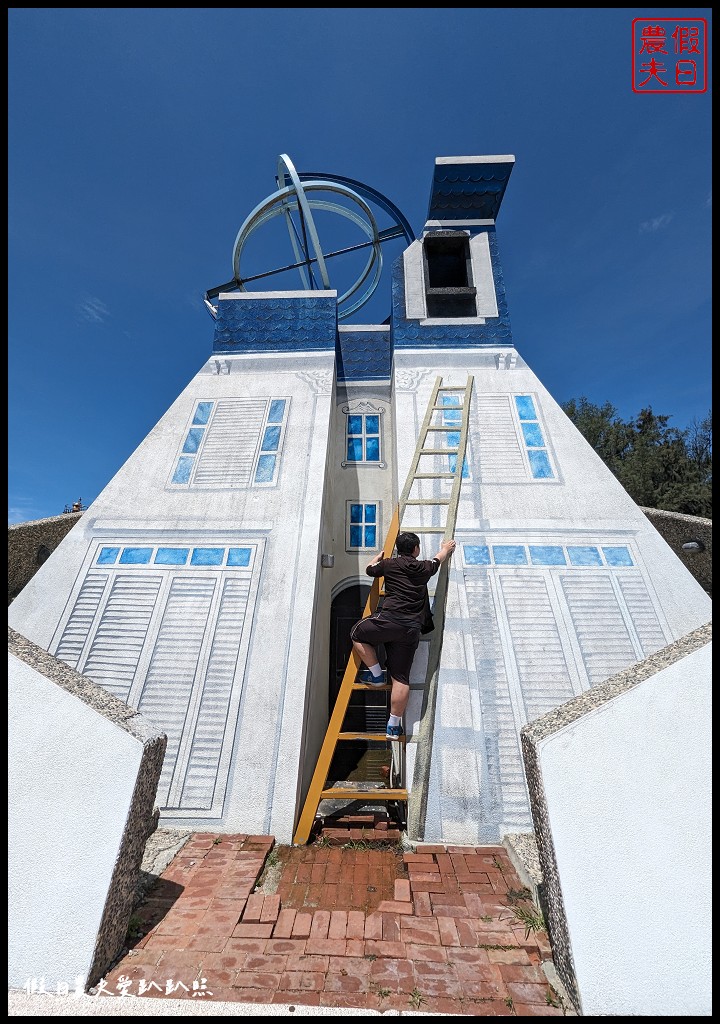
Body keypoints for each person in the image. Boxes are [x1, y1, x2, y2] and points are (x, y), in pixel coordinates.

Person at [350, 531, 456, 740]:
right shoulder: (424, 567)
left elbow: (370, 570)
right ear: (416, 549)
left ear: (399, 549)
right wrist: (445, 548)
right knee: (401, 677)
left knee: (356, 633)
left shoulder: (389, 565)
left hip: (389, 621)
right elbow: (437, 560)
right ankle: (393, 726)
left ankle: (377, 675)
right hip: (410, 629)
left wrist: (378, 558)